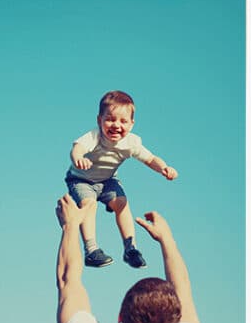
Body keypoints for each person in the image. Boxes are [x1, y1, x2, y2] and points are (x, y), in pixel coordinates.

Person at [55, 195, 204, 323]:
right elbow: (184, 290)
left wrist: (70, 226)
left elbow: (67, 280)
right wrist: (167, 240)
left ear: (120, 316)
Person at [67, 90, 179, 269]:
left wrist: (164, 168)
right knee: (89, 204)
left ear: (132, 124)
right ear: (99, 120)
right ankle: (91, 250)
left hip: (108, 180)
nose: (116, 125)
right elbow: (77, 148)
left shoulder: (132, 142)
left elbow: (150, 159)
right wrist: (79, 158)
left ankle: (130, 248)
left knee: (122, 203)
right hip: (81, 180)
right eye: (110, 119)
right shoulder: (94, 136)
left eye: (123, 121)